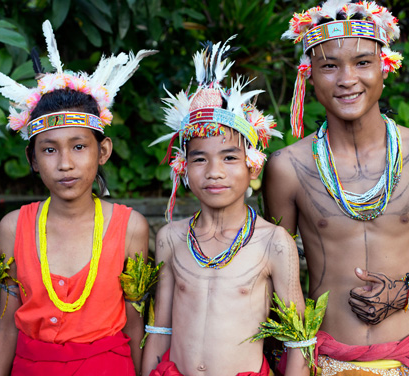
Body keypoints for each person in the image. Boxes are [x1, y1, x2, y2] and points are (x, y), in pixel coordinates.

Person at [263, 1, 409, 375]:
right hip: (324, 360)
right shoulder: (288, 168)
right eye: (329, 66)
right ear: (308, 76)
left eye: (363, 62)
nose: (347, 79)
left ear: (386, 67)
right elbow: (269, 270)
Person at [0, 20, 156, 375]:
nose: (65, 164)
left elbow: (135, 325)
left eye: (79, 146)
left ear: (103, 151)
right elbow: (6, 326)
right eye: (49, 150)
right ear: (33, 160)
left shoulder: (130, 228)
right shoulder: (13, 227)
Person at [141, 38, 310, 376]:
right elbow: (159, 330)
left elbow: (299, 342)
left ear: (253, 166)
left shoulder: (273, 242)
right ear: (183, 169)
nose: (214, 172)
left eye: (230, 157)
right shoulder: (171, 238)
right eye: (199, 159)